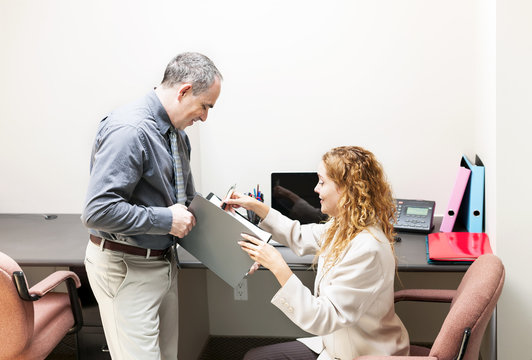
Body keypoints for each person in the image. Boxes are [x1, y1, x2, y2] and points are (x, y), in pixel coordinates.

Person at [81, 52, 222, 360]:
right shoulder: (130, 131)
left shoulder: (177, 136)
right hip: (126, 267)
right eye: (205, 106)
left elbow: (182, 205)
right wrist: (164, 220)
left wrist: (227, 230)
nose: (205, 117)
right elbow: (97, 211)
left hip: (162, 263)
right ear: (184, 91)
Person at [225, 146, 410, 360]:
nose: (315, 189)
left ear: (346, 189)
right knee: (254, 357)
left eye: (322, 182)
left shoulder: (367, 248)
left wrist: (277, 264)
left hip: (363, 354)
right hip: (337, 343)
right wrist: (255, 206)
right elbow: (298, 235)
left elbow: (322, 317)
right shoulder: (345, 226)